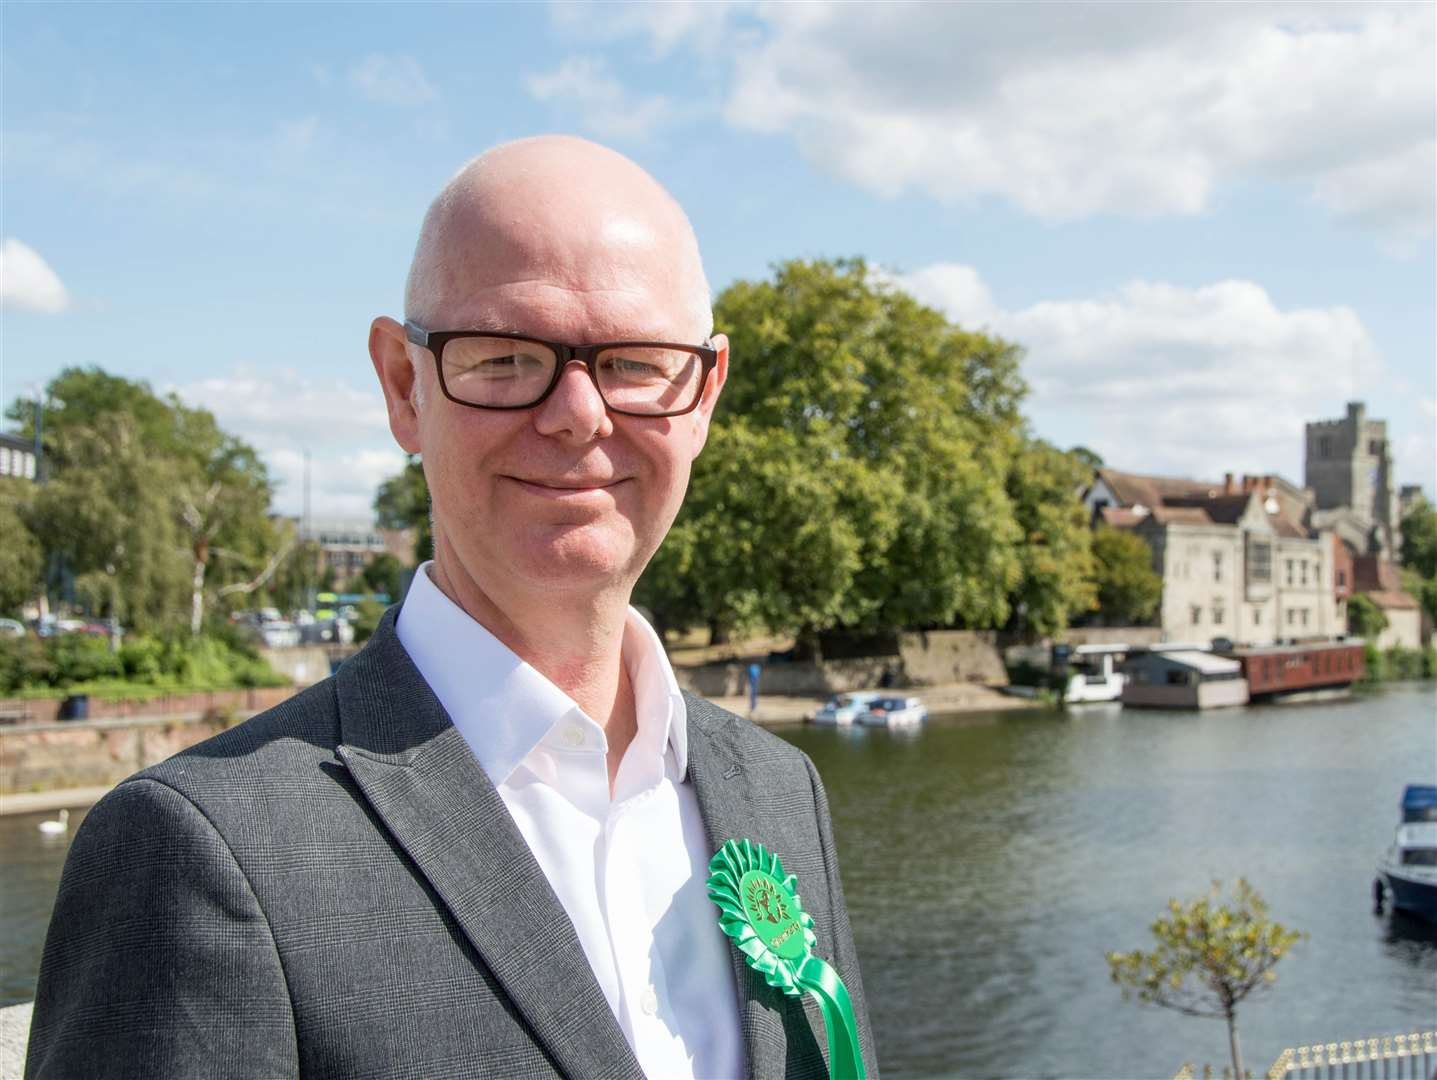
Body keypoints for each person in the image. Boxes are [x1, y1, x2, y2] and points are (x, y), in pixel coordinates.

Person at [25, 136, 877, 1079]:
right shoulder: (194, 850)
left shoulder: (778, 788)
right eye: (506, 357)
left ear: (704, 393)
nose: (578, 414)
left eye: (636, 363)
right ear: (403, 386)